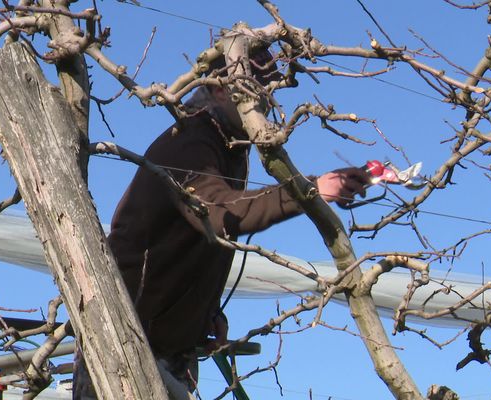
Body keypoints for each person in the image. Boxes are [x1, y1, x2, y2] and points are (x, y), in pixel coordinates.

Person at [74, 48, 370, 397]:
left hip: (167, 349)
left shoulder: (230, 147)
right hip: (125, 341)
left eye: (268, 93)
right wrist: (306, 191)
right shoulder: (189, 142)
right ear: (219, 89)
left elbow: (200, 242)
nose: (264, 103)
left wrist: (206, 311)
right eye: (256, 92)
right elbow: (219, 213)